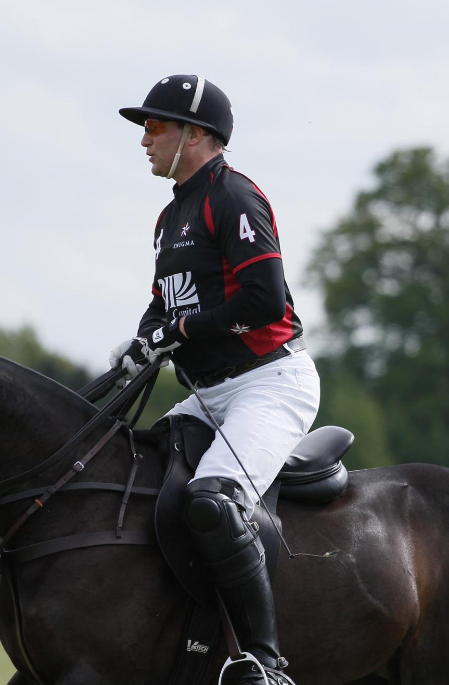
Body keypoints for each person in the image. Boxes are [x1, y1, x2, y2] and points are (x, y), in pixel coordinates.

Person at [110, 75, 319, 685]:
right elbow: (163, 304)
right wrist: (140, 342)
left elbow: (265, 299)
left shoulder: (234, 198)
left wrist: (179, 329)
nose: (144, 139)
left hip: (268, 381)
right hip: (209, 394)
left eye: (156, 127)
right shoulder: (170, 216)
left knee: (212, 499)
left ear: (196, 135)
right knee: (135, 471)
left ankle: (264, 661)